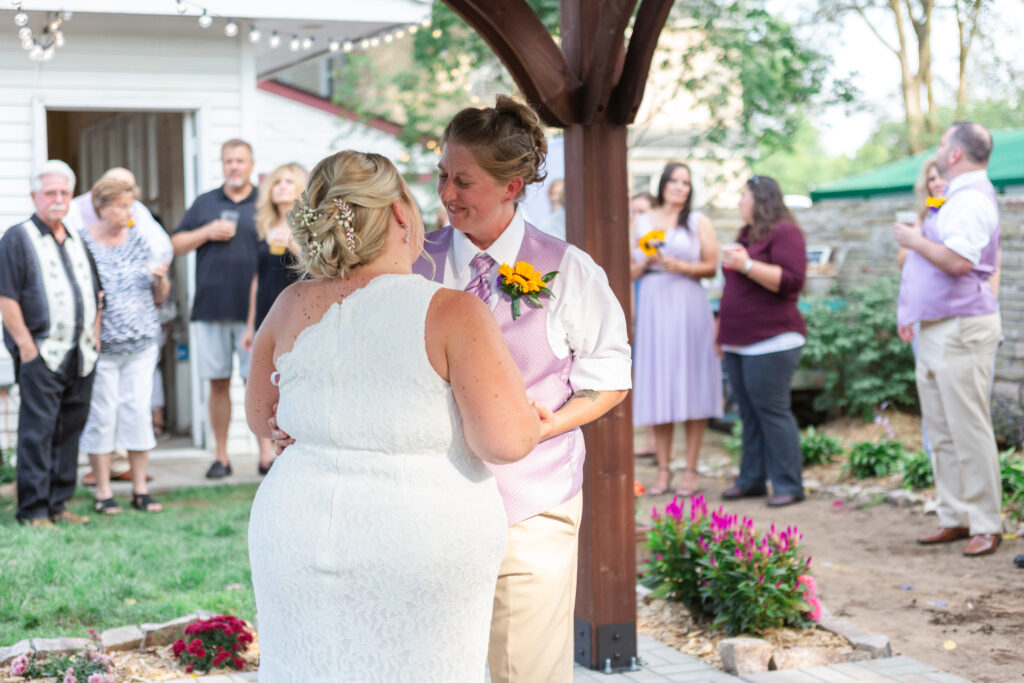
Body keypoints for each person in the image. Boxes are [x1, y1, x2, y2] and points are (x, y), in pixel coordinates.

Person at [246, 150, 541, 680]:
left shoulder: (290, 303)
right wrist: (534, 415)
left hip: (295, 529)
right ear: (402, 214)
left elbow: (261, 416)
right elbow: (504, 441)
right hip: (417, 538)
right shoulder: (453, 311)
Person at [415, 95, 631, 682]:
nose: (447, 194)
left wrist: (551, 423)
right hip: (425, 502)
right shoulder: (413, 266)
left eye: (464, 181)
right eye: (442, 177)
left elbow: (609, 374)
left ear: (512, 186)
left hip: (534, 502)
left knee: (526, 671)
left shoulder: (570, 270)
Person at [895, 122, 1003, 557]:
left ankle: (985, 522)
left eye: (942, 144)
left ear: (956, 154)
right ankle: (954, 516)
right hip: (937, 327)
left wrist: (914, 240)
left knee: (968, 427)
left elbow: (959, 262)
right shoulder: (955, 197)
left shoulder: (972, 199)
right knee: (940, 429)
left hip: (962, 328)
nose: (938, 151)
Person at [0, 160, 102, 528]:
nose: (58, 199)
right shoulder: (18, 237)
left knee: (69, 430)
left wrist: (97, 338)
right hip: (42, 353)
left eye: (64, 192)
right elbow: (6, 297)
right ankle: (34, 509)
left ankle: (59, 503)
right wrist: (27, 347)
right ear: (34, 197)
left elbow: (96, 295)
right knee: (37, 432)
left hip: (82, 354)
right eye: (50, 193)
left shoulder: (77, 238)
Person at [79, 177, 169, 514]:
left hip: (142, 344)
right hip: (103, 349)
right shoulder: (84, 243)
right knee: (102, 416)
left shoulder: (139, 241)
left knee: (137, 413)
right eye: (121, 206)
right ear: (102, 207)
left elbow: (160, 297)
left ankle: (141, 489)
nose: (128, 212)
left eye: (131, 206)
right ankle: (103, 492)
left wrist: (161, 278)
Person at [630, 163, 722, 496]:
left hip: (689, 303)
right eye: (674, 181)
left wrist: (681, 266)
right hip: (654, 303)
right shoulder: (641, 221)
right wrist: (645, 263)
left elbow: (712, 266)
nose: (679, 187)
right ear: (663, 184)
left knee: (692, 384)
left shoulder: (698, 222)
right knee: (660, 385)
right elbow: (629, 269)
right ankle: (664, 469)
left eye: (685, 182)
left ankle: (692, 469)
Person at [171, 139, 259, 479]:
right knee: (217, 383)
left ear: (251, 164)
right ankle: (221, 456)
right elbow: (175, 244)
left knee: (257, 381)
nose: (233, 166)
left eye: (239, 160)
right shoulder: (205, 203)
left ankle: (265, 455)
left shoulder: (265, 203)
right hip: (210, 306)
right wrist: (205, 232)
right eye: (228, 161)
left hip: (256, 311)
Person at [717, 175, 807, 508]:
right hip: (738, 342)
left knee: (772, 412)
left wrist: (747, 264)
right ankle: (751, 479)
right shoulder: (747, 234)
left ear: (761, 199)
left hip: (773, 340)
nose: (740, 201)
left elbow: (791, 281)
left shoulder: (785, 232)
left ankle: (788, 484)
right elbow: (733, 289)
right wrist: (720, 332)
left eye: (743, 195)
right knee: (749, 414)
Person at [242, 162, 307, 475]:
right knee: (261, 379)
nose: (281, 186)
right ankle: (264, 453)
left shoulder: (306, 227)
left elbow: (313, 266)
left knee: (289, 380)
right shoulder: (264, 225)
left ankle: (292, 442)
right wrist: (250, 324)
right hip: (266, 312)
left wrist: (291, 240)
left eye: (287, 181)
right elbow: (257, 279)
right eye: (276, 182)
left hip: (294, 313)